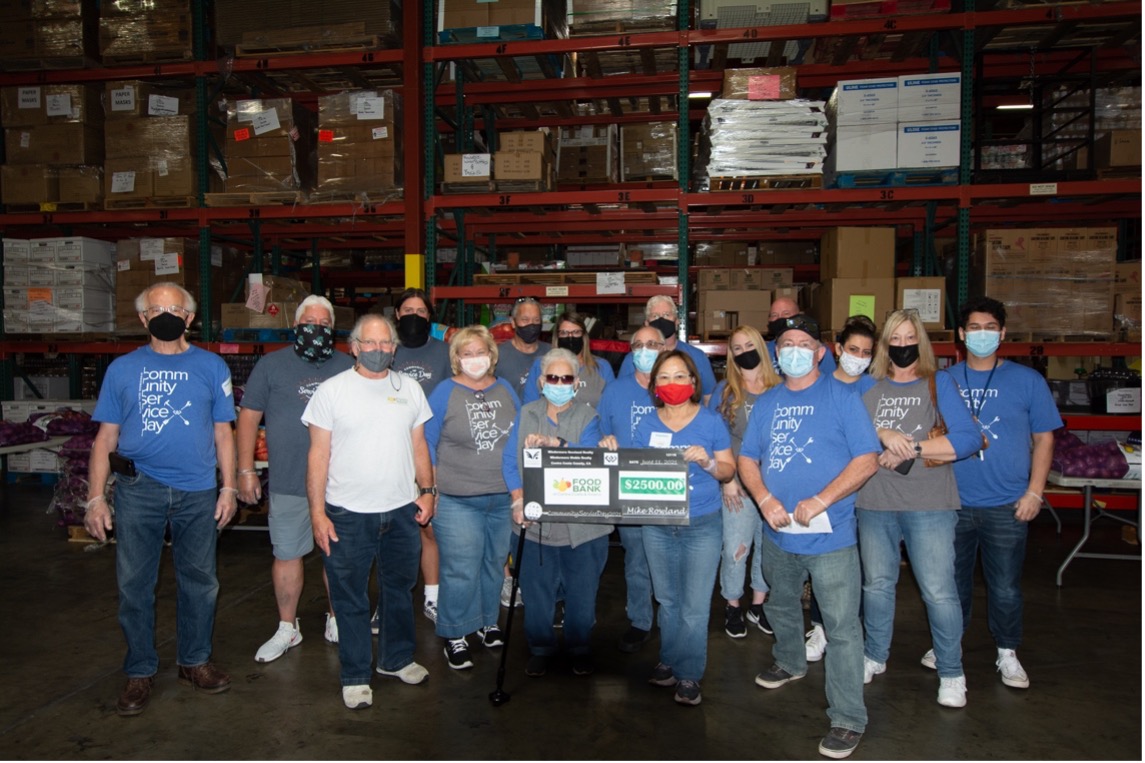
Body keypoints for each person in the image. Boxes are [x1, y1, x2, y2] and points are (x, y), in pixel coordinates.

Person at [84, 282, 236, 717]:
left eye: (175, 308)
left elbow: (223, 432)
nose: (166, 315)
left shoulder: (212, 367)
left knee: (200, 583)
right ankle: (139, 668)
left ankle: (195, 661)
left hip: (197, 490)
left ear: (190, 318)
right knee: (134, 585)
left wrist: (228, 486)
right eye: (157, 309)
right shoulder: (122, 370)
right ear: (143, 318)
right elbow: (105, 438)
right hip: (139, 489)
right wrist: (96, 499)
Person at [737, 313, 880, 761]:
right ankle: (791, 660)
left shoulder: (843, 397)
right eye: (785, 344)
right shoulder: (768, 402)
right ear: (776, 354)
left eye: (803, 342)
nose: (793, 350)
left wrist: (821, 499)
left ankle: (847, 717)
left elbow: (867, 459)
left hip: (831, 537)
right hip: (779, 532)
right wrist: (763, 499)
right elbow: (747, 460)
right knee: (779, 602)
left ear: (820, 351)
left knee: (841, 628)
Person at [303, 314, 436, 710]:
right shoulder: (331, 391)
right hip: (346, 513)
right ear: (354, 346)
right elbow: (318, 456)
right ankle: (356, 674)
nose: (378, 351)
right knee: (350, 597)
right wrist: (317, 513)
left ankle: (395, 660)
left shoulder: (409, 388)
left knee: (398, 590)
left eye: (385, 344)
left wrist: (427, 492)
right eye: (370, 343)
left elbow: (419, 447)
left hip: (400, 511)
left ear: (394, 348)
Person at [932, 297, 1061, 690]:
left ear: (1002, 334)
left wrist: (1035, 493)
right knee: (950, 584)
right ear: (961, 334)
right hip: (952, 501)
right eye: (975, 327)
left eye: (990, 327)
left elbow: (1044, 439)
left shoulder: (1028, 381)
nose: (982, 334)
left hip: (1007, 503)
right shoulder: (944, 380)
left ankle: (1007, 651)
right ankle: (947, 645)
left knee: (1004, 585)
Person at [855, 309, 981, 709]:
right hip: (874, 503)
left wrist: (911, 448)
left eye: (911, 339)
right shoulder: (866, 388)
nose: (904, 346)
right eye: (896, 339)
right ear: (883, 344)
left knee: (939, 592)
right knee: (876, 585)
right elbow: (846, 436)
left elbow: (968, 439)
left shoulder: (937, 383)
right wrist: (883, 434)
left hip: (930, 504)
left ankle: (951, 671)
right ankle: (874, 655)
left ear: (921, 342)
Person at [237, 296, 355, 662]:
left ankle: (338, 619)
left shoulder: (349, 366)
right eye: (309, 321)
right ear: (296, 326)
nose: (315, 327)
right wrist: (244, 470)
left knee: (338, 556)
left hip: (341, 483)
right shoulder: (271, 366)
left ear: (332, 328)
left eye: (323, 322)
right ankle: (287, 628)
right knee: (287, 553)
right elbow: (247, 418)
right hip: (289, 481)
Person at [625, 350, 736, 706]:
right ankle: (669, 660)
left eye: (679, 376)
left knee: (695, 604)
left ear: (692, 382)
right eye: (664, 377)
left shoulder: (711, 422)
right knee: (667, 600)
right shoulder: (646, 425)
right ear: (655, 385)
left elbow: (728, 471)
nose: (672, 383)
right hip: (657, 525)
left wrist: (706, 461)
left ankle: (689, 674)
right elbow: (632, 474)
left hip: (702, 523)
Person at [505, 348, 608, 677]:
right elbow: (510, 461)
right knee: (537, 594)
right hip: (536, 525)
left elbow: (594, 457)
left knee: (582, 594)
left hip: (584, 528)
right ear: (541, 382)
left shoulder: (588, 417)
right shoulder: (526, 414)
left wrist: (558, 444)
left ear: (577, 383)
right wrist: (518, 499)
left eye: (567, 378)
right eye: (553, 377)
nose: (559, 383)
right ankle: (541, 647)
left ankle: (580, 647)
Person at [425, 325, 521, 671]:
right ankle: (454, 633)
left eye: (481, 352)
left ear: (492, 355)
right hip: (457, 498)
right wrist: (429, 491)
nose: (475, 359)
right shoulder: (443, 393)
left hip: (502, 496)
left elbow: (520, 434)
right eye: (467, 354)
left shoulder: (505, 388)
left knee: (494, 564)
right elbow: (427, 445)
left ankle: (486, 621)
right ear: (456, 359)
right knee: (461, 569)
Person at [805, 313, 880, 662]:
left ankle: (852, 633)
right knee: (823, 564)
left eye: (866, 352)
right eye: (853, 349)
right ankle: (819, 628)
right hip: (827, 493)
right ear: (837, 349)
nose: (859, 357)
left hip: (866, 493)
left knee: (860, 569)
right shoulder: (815, 384)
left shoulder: (875, 390)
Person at [708, 324, 782, 640]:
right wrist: (727, 480)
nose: (743, 353)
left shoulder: (781, 388)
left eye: (748, 345)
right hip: (736, 485)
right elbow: (713, 438)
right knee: (736, 547)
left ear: (762, 348)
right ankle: (733, 604)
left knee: (768, 548)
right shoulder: (726, 391)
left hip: (774, 487)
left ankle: (759, 603)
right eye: (736, 348)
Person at [596, 325, 666, 653]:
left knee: (669, 558)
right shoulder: (615, 391)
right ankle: (640, 619)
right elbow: (603, 433)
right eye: (638, 344)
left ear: (664, 347)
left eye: (652, 344)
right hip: (628, 485)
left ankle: (671, 616)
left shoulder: (675, 387)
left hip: (667, 484)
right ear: (630, 351)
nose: (645, 350)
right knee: (636, 557)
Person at [390, 288, 449, 624]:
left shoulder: (444, 353)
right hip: (389, 455)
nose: (414, 315)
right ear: (397, 315)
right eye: (408, 309)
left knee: (429, 529)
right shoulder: (385, 350)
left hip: (432, 454)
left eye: (421, 311)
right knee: (392, 531)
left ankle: (432, 595)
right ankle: (391, 599)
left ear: (430, 317)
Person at [617, 294, 717, 403]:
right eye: (654, 316)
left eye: (666, 314)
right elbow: (621, 396)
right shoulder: (632, 359)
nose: (661, 319)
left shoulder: (697, 357)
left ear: (677, 321)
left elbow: (709, 398)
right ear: (646, 323)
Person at [523, 311, 614, 408]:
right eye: (564, 333)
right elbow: (529, 408)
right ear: (557, 337)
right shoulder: (540, 365)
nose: (570, 337)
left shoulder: (602, 367)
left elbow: (611, 408)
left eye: (576, 332)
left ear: (584, 336)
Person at [765, 296, 836, 376]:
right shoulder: (764, 350)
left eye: (786, 313)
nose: (780, 318)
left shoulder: (817, 350)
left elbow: (830, 381)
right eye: (774, 315)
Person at [496, 297, 550, 399]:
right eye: (525, 320)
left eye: (536, 320)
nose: (531, 324)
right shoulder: (497, 356)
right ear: (513, 322)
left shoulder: (552, 353)